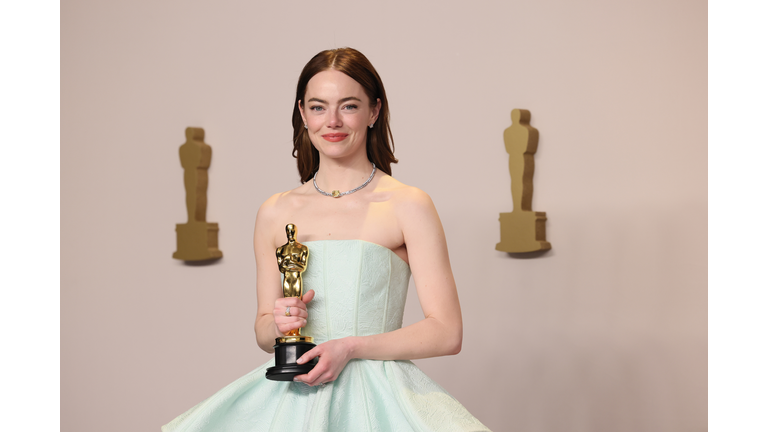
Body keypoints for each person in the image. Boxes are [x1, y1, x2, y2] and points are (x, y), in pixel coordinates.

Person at [162, 48, 490, 432]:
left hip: (380, 400)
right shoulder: (275, 212)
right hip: (291, 400)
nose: (332, 121)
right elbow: (264, 330)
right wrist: (279, 324)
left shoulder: (407, 204)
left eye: (348, 106)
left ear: (374, 111)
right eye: (318, 108)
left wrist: (351, 348)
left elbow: (447, 332)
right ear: (302, 114)